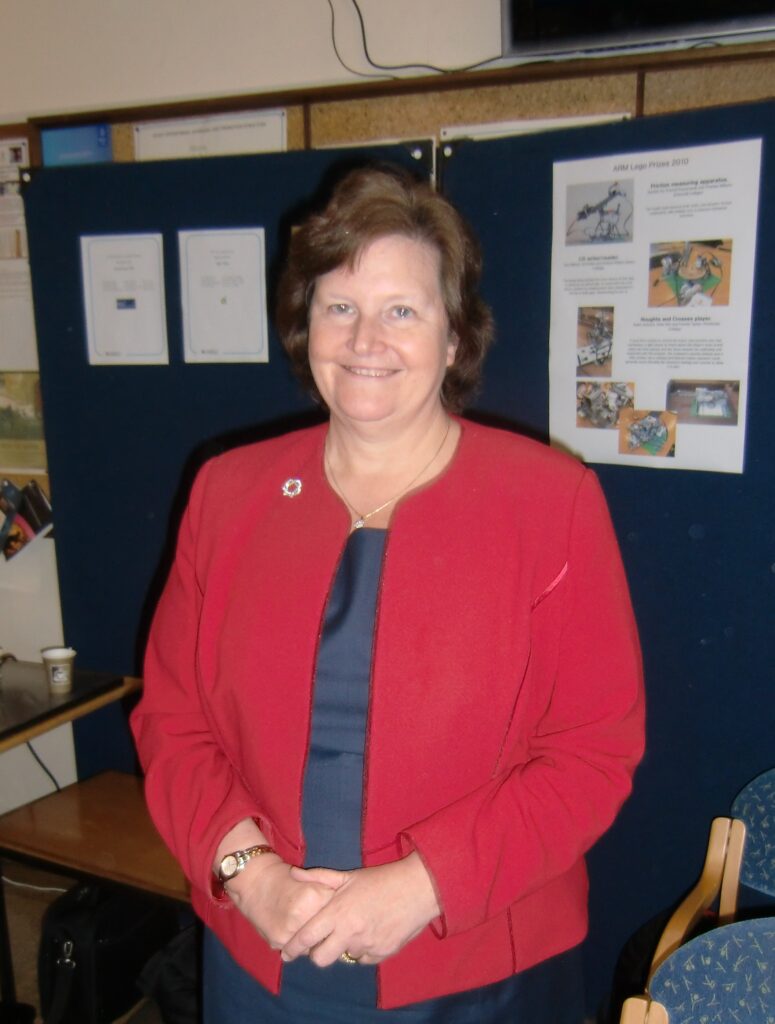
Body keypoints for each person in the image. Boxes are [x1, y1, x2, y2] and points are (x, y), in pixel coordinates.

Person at [131, 164, 644, 1023]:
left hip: (475, 958)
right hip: (267, 947)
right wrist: (243, 874)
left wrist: (425, 885)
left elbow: (591, 753)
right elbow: (173, 721)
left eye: (401, 310)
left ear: (453, 339)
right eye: (339, 307)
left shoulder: (550, 502)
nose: (365, 338)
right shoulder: (227, 493)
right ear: (307, 328)